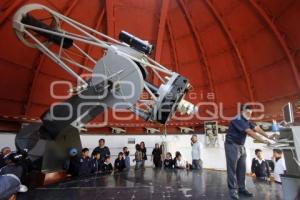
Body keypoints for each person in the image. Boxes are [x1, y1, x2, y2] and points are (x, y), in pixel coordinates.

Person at [225, 104, 276, 199]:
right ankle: (233, 191)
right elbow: (250, 132)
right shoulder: (238, 119)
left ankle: (242, 189)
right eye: (247, 113)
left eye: (250, 113)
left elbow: (257, 129)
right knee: (232, 169)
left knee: (242, 169)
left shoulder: (247, 120)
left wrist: (268, 136)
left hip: (241, 146)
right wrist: (264, 141)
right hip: (232, 145)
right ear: (241, 112)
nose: (249, 114)